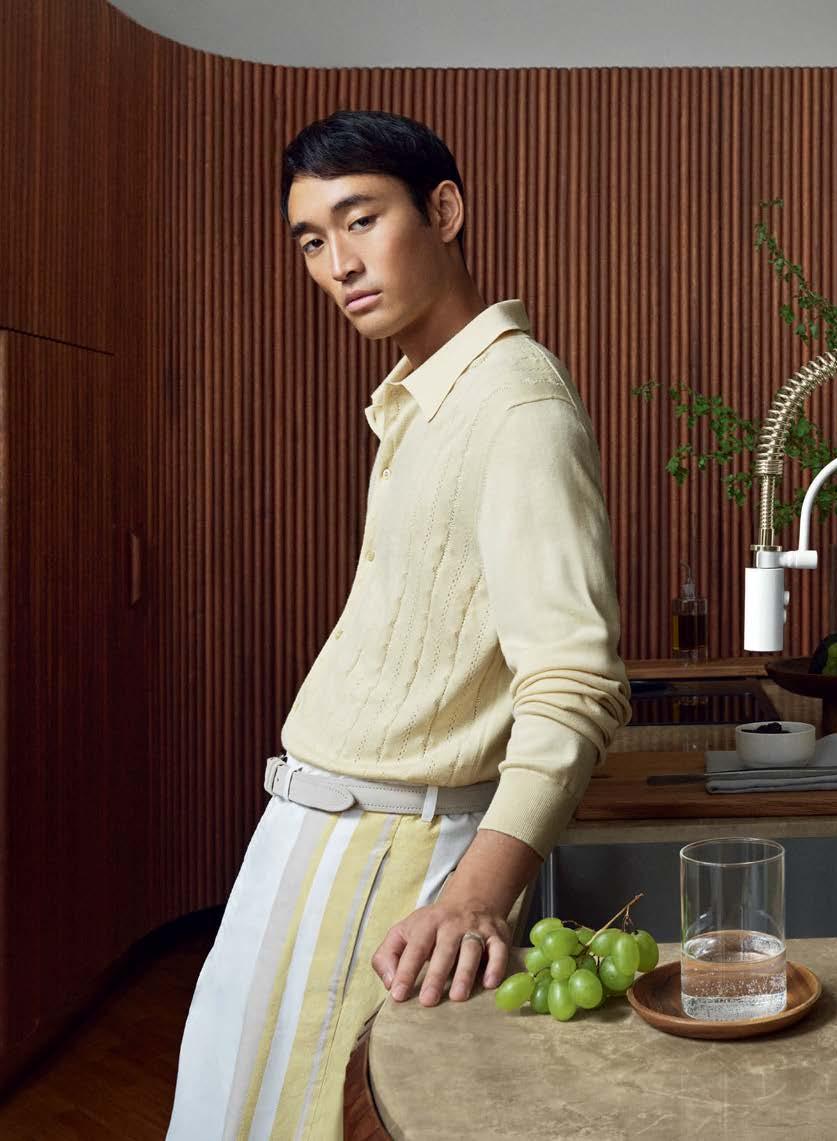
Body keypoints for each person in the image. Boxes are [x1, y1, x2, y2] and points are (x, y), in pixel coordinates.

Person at [166, 109, 632, 1140]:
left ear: (444, 211)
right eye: (311, 240)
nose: (338, 263)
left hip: (392, 854)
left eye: (361, 219)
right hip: (316, 835)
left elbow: (575, 681)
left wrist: (474, 895)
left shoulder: (516, 409)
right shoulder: (426, 399)